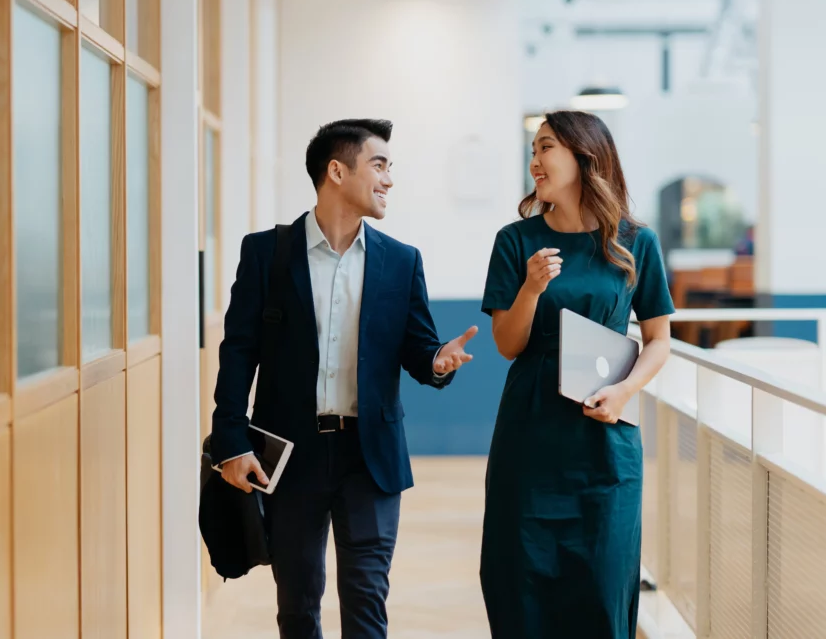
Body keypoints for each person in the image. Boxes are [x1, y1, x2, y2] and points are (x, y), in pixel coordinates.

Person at [210, 118, 477, 639]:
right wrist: (229, 440)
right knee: (298, 603)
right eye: (379, 165)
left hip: (370, 458)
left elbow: (419, 348)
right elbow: (238, 353)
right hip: (291, 456)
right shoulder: (266, 253)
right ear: (337, 170)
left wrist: (438, 361)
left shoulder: (401, 261)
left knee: (367, 603)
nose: (388, 180)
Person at [478, 111, 673, 638]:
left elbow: (658, 341)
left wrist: (625, 390)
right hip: (530, 433)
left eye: (546, 148)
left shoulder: (637, 241)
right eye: (534, 149)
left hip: (603, 439)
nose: (534, 161)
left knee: (603, 588)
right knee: (520, 584)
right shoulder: (516, 241)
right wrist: (531, 289)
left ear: (584, 157)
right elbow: (506, 344)